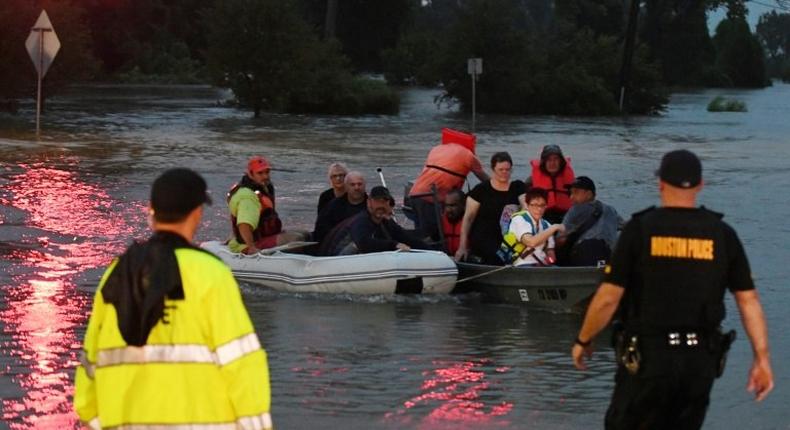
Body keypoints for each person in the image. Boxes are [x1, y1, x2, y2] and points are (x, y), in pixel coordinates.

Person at [572, 150, 773, 430]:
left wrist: (584, 339)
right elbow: (748, 300)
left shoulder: (640, 230)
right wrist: (761, 359)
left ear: (661, 184)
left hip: (648, 360)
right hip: (699, 363)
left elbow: (608, 298)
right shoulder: (721, 234)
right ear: (701, 185)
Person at [74, 168, 273, 429]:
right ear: (197, 213)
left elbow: (91, 360)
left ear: (150, 210)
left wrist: (91, 419)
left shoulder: (118, 271)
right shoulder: (210, 273)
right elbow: (242, 363)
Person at [408, 128, 489, 240]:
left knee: (422, 233)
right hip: (431, 199)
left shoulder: (437, 149)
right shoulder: (468, 155)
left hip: (414, 195)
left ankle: (413, 248)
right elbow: (485, 180)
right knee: (434, 232)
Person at [455, 152, 526, 265]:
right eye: (501, 169)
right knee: (496, 257)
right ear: (493, 169)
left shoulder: (518, 187)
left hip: (508, 238)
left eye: (507, 170)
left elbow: (526, 204)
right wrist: (462, 247)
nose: (504, 173)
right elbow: (468, 219)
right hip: (484, 237)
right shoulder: (481, 190)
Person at [227, 155, 307, 254]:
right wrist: (251, 247)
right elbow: (244, 225)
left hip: (264, 236)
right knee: (296, 238)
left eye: (267, 172)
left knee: (305, 234)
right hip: (251, 243)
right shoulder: (248, 197)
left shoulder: (263, 188)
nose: (265, 176)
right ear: (250, 174)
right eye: (260, 173)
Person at [324, 186, 430, 256]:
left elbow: (406, 238)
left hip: (361, 264)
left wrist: (433, 251)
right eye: (377, 201)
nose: (380, 206)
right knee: (357, 244)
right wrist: (394, 245)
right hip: (337, 260)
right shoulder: (361, 220)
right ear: (369, 202)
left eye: (384, 202)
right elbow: (363, 243)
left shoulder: (386, 222)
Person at [557, 176, 623, 266]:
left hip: (584, 253)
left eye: (576, 193)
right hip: (609, 255)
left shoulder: (575, 210)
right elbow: (626, 227)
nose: (571, 197)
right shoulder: (610, 210)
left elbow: (561, 239)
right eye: (571, 193)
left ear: (589, 194)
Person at [498, 187, 565, 266]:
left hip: (541, 265)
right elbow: (531, 242)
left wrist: (550, 258)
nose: (539, 209)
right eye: (534, 205)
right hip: (522, 265)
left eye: (542, 205)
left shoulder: (546, 225)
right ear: (527, 205)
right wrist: (555, 227)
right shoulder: (519, 220)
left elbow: (550, 251)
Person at [313, 171, 367, 244]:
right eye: (352, 185)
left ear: (365, 186)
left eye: (359, 184)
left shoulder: (372, 205)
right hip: (338, 245)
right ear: (346, 187)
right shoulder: (333, 206)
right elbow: (321, 229)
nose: (356, 188)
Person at [526, 144, 575, 223]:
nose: (552, 163)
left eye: (556, 159)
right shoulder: (531, 181)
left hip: (566, 218)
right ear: (543, 162)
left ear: (561, 162)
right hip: (542, 217)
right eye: (549, 160)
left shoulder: (573, 183)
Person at [441, 189, 465, 256]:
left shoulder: (472, 223)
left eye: (453, 206)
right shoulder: (440, 223)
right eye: (447, 205)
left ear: (463, 205)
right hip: (447, 258)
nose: (448, 210)